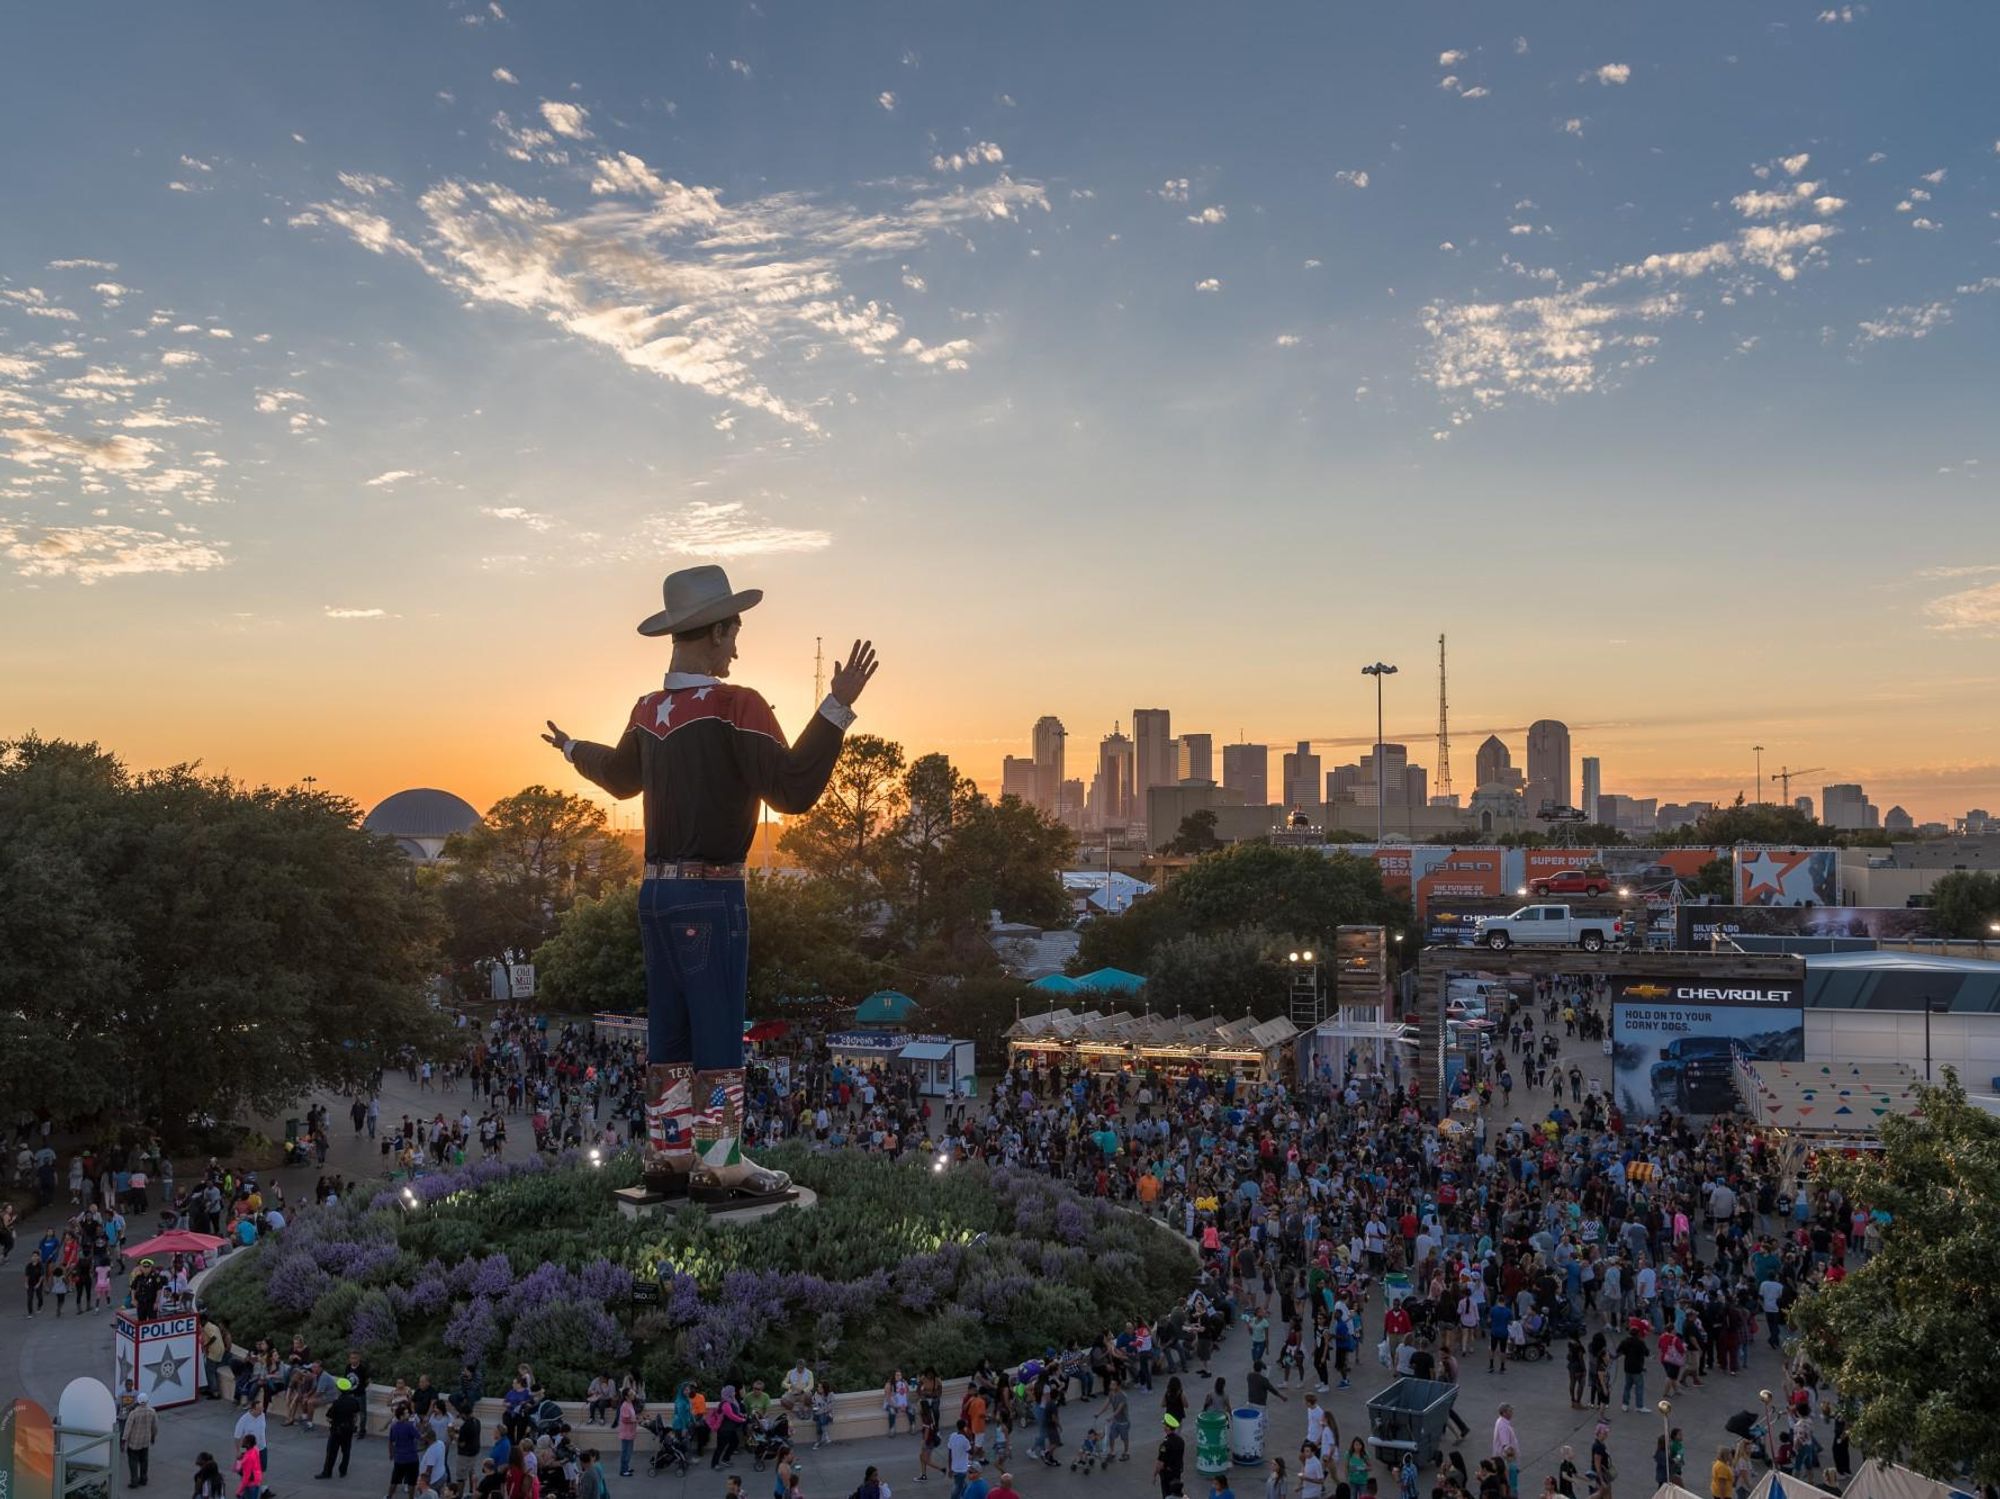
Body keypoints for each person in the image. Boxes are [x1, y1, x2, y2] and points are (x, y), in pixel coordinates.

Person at [546, 566, 878, 1200]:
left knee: (669, 1027)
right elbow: (793, 789)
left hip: (654, 897)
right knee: (720, 1024)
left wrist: (569, 749)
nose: (736, 648)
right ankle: (721, 1162)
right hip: (712, 891)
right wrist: (837, 706)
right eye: (733, 633)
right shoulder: (735, 705)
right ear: (715, 630)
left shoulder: (650, 711)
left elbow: (618, 777)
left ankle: (668, 1155)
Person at [320, 1378, 364, 1479]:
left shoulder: (337, 1402)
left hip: (336, 1430)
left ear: (339, 1389)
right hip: (348, 1429)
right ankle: (343, 1471)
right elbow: (356, 1415)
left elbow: (328, 1417)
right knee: (346, 1451)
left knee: (331, 1452)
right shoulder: (354, 1401)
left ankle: (327, 1472)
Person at [389, 1402, 425, 1499]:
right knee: (412, 1482)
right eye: (406, 1413)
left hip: (399, 1458)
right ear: (401, 1416)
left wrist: (391, 1454)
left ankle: (389, 1496)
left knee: (395, 1480)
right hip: (411, 1458)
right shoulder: (409, 1426)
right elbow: (419, 1437)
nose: (408, 1414)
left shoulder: (394, 1427)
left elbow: (391, 1441)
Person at [124, 1392, 160, 1487]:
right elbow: (155, 1427)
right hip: (145, 1441)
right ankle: (144, 1479)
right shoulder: (152, 1411)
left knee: (133, 1462)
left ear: (137, 1402)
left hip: (134, 1443)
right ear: (147, 1401)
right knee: (144, 1461)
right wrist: (153, 1437)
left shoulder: (134, 1413)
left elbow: (128, 1428)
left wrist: (124, 1440)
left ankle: (134, 1481)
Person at [1156, 1415, 1186, 1499]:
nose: (1164, 1427)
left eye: (1165, 1425)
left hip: (1167, 1474)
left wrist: (1155, 1473)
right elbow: (1181, 1456)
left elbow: (1160, 1462)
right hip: (1177, 1471)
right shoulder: (1181, 1440)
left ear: (1168, 1428)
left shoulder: (1165, 1444)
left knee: (1167, 1493)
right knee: (1176, 1492)